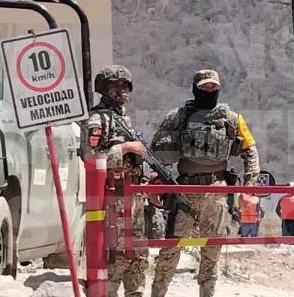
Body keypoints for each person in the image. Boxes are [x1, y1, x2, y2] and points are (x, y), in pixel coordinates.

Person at [150, 69, 260, 297]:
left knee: (212, 251)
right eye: (204, 87)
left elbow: (250, 150)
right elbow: (158, 150)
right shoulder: (178, 117)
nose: (209, 91)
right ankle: (158, 293)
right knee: (171, 248)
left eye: (213, 87)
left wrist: (251, 185)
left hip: (216, 191)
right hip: (185, 191)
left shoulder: (231, 119)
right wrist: (157, 179)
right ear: (195, 88)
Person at [82, 65, 150, 297]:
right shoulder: (97, 119)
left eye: (124, 86)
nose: (121, 91)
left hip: (135, 197)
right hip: (114, 199)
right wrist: (125, 147)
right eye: (114, 86)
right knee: (116, 255)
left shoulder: (124, 119)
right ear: (104, 89)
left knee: (139, 256)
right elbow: (91, 156)